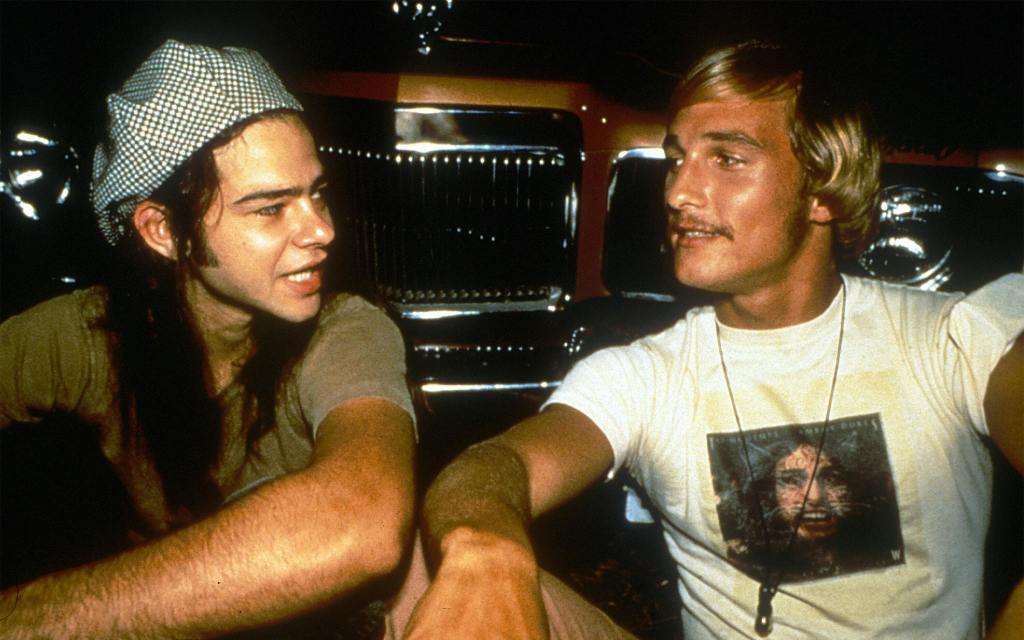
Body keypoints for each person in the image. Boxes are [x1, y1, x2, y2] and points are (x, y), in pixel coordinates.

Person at [403, 40, 1023, 639]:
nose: (678, 193)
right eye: (677, 159)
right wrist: (484, 548)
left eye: (727, 159)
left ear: (823, 189)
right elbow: (494, 468)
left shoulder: (948, 338)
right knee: (424, 579)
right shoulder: (648, 375)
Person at [0, 40, 416, 637]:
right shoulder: (89, 333)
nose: (321, 230)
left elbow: (362, 520)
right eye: (270, 209)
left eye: (317, 193)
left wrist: (31, 620)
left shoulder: (346, 329)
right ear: (163, 231)